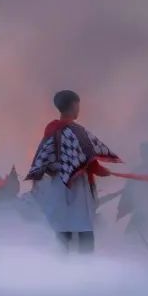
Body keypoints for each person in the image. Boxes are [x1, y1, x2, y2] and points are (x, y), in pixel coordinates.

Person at [26, 90, 121, 254]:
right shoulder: (76, 131)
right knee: (83, 226)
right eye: (78, 105)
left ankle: (62, 266)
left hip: (58, 185)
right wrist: (104, 171)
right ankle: (85, 267)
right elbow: (89, 160)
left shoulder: (51, 130)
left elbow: (44, 159)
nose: (79, 109)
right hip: (77, 187)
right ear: (73, 105)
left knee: (63, 227)